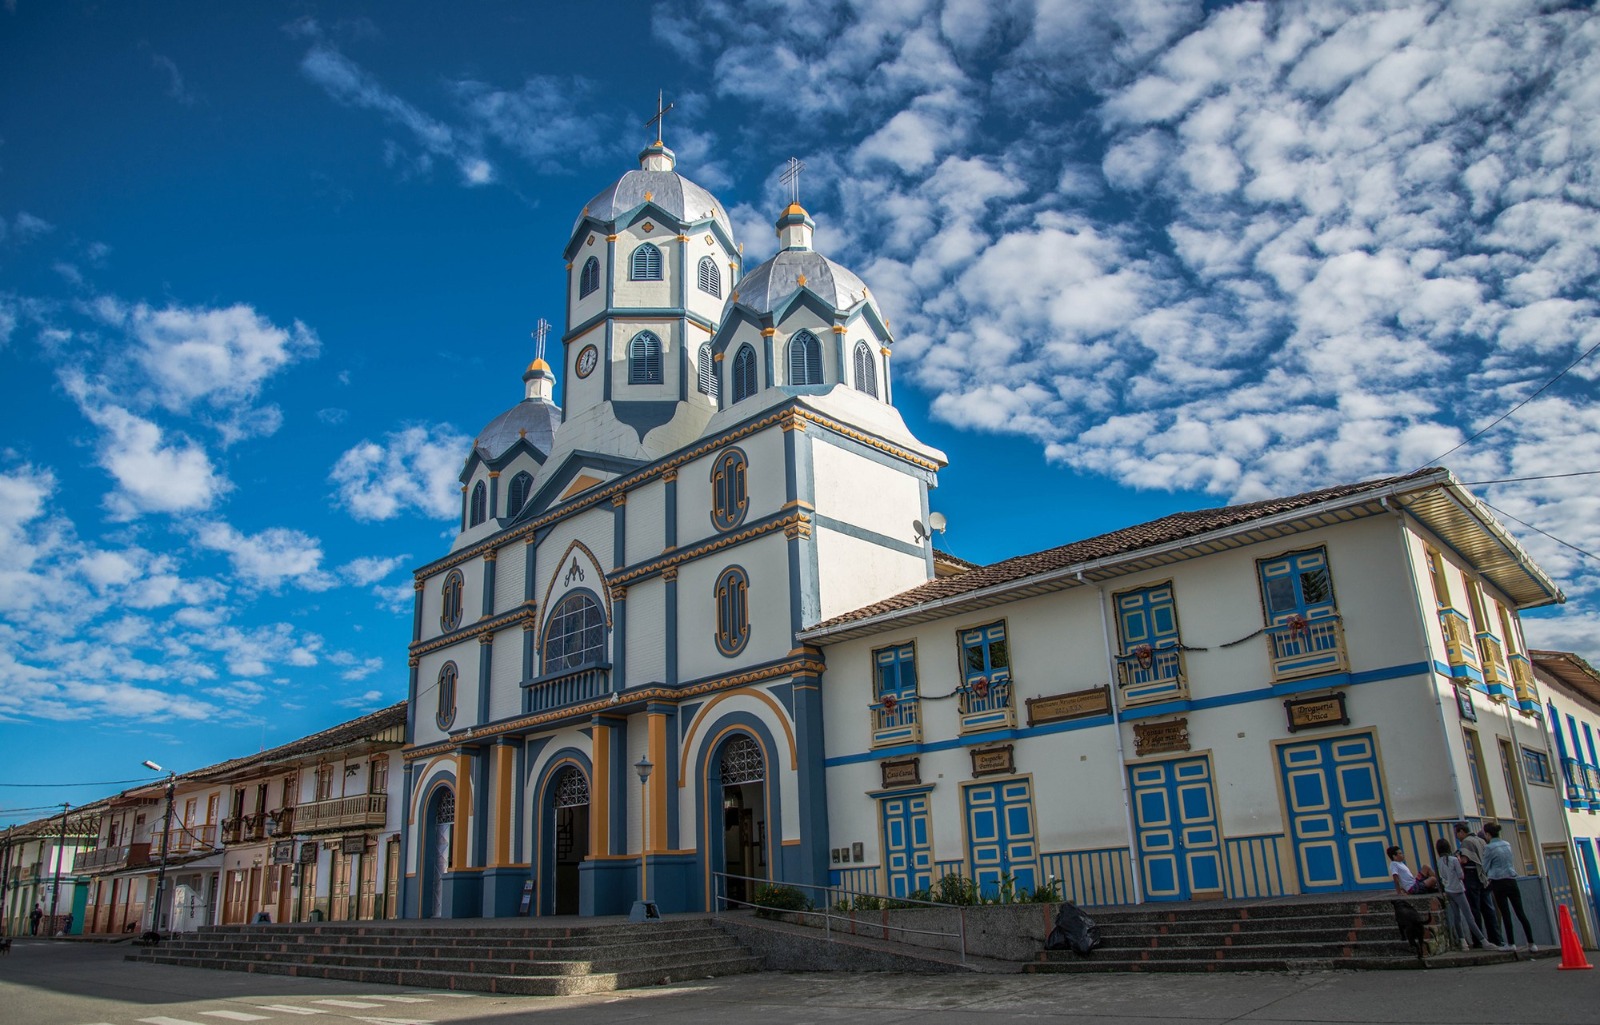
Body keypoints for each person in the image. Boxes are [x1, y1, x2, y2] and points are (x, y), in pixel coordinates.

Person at [1483, 821, 1536, 952]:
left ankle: (1511, 943)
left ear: (1488, 834)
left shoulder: (1489, 848)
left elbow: (1485, 867)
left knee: (1506, 913)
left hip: (1497, 882)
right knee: (1520, 912)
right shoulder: (1507, 844)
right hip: (1511, 880)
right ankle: (1531, 943)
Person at [1435, 837, 1490, 950]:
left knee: (1457, 917)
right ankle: (1483, 940)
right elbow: (1461, 876)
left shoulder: (1439, 861)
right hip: (1458, 890)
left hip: (1448, 890)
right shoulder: (1454, 860)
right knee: (1469, 917)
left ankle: (1462, 941)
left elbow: (1442, 876)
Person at [1453, 821, 1502, 945]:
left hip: (1472, 877)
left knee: (1474, 910)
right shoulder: (1481, 840)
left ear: (1461, 832)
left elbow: (1464, 860)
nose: (1457, 837)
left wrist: (1457, 858)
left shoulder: (1467, 842)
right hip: (1484, 878)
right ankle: (1496, 938)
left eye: (1457, 833)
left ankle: (1479, 940)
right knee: (1489, 910)